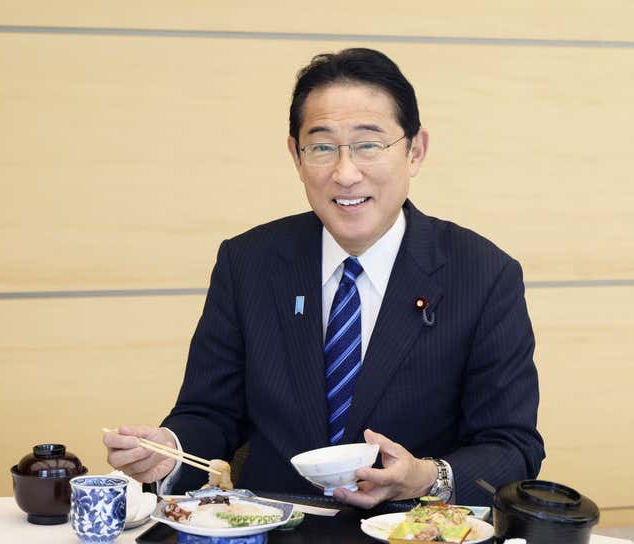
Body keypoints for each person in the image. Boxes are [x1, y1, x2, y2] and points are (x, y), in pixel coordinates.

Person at [103, 48, 545, 508]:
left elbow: (512, 447)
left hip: (411, 532)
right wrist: (170, 453)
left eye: (368, 145)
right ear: (296, 154)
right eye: (322, 146)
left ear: (415, 151)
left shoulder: (484, 274)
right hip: (272, 527)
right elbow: (210, 413)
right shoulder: (249, 262)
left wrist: (426, 478)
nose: (345, 173)